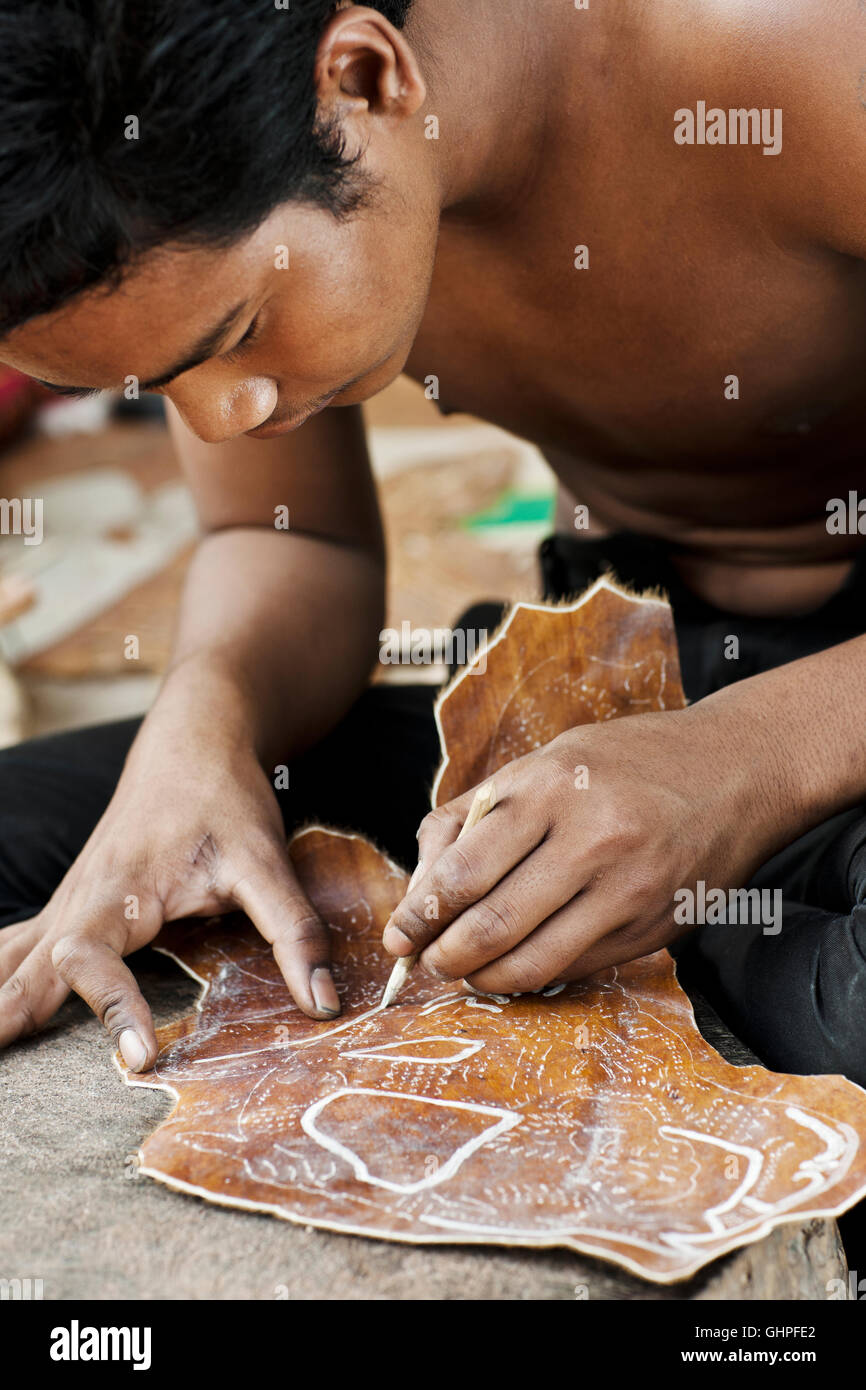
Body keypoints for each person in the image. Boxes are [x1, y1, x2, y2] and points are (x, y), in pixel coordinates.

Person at [1, 0, 866, 1091]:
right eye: (147, 383)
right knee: (46, 867)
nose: (220, 418)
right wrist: (199, 730)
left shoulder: (802, 55)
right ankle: (607, 916)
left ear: (363, 78)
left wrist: (736, 768)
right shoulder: (199, 194)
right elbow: (292, 538)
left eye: (235, 337)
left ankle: (629, 924)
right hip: (598, 698)